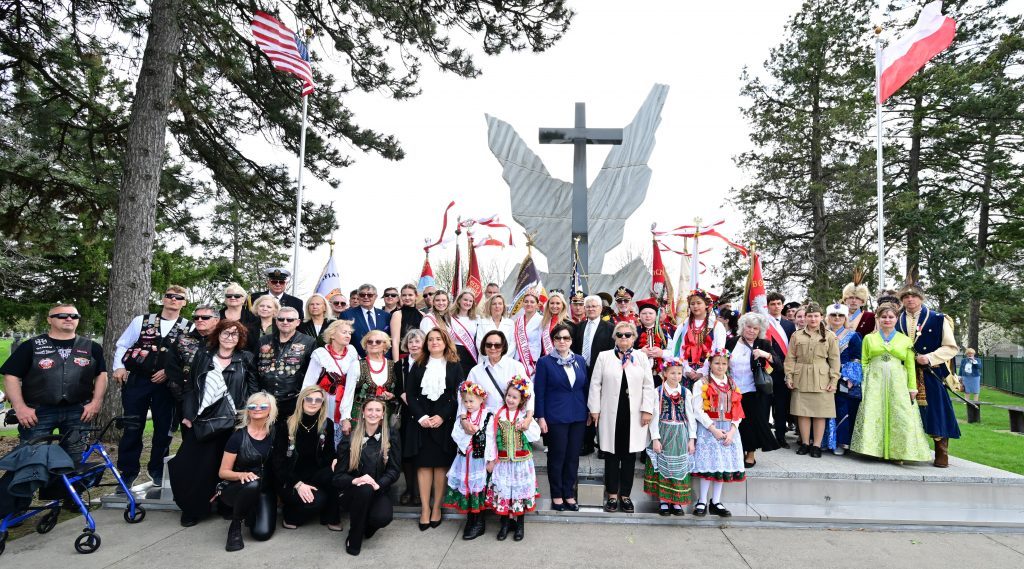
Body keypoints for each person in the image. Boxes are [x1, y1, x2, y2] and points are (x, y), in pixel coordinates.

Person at [170, 320, 256, 527]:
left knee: (227, 466)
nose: (230, 338)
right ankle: (193, 508)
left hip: (233, 422)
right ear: (217, 335)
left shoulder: (245, 358)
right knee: (189, 465)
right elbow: (190, 386)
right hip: (202, 420)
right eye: (226, 333)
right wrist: (188, 414)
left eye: (235, 334)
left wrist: (249, 418)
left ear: (240, 339)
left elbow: (253, 389)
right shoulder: (203, 356)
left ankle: (227, 505)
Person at [1, 304, 106, 457]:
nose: (69, 318)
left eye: (74, 316)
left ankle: (68, 482)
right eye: (62, 315)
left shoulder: (91, 347)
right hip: (37, 412)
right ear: (49, 319)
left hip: (78, 411)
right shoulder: (31, 346)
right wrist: (20, 408)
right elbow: (11, 376)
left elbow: (101, 375)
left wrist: (96, 402)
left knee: (74, 461)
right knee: (33, 460)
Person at [113, 285, 192, 488]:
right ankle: (128, 472)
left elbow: (189, 357)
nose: (173, 300)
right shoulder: (142, 321)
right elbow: (123, 344)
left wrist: (168, 372)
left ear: (184, 302)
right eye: (170, 296)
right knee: (132, 426)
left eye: (178, 297)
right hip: (138, 380)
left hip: (166, 385)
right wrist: (119, 367)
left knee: (163, 429)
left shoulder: (188, 327)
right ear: (163, 299)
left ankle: (157, 469)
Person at [850, 303, 933, 462]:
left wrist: (912, 387)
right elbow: (864, 361)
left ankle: (899, 452)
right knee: (874, 411)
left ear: (896, 319)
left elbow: (909, 365)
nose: (887, 320)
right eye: (884, 317)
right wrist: (866, 380)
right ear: (878, 318)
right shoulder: (869, 338)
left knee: (900, 413)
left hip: (898, 381)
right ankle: (873, 449)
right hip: (875, 381)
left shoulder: (905, 340)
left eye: (891, 317)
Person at [588, 321, 656, 514]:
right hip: (610, 413)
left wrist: (647, 410)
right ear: (615, 338)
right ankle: (611, 495)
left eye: (628, 335)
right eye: (620, 335)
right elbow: (595, 384)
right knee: (611, 455)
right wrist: (594, 409)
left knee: (628, 456)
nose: (624, 338)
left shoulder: (641, 357)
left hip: (634, 414)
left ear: (634, 337)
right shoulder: (604, 357)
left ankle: (625, 495)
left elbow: (648, 386)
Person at [896, 281, 960, 468]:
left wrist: (931, 358)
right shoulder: (895, 319)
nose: (910, 299)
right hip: (902, 372)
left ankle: (941, 451)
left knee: (935, 410)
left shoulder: (938, 319)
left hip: (930, 372)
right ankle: (903, 450)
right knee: (902, 410)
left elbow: (951, 347)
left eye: (914, 296)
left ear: (921, 298)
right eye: (906, 297)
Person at [405, 328, 463, 530]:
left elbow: (458, 395)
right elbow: (410, 394)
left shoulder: (455, 365)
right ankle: (425, 509)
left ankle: (437, 507)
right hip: (421, 421)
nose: (434, 342)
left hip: (443, 421)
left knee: (440, 466)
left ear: (446, 342)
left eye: (438, 339)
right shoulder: (418, 364)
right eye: (431, 339)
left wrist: (442, 416)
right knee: (423, 465)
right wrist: (421, 416)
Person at [332, 398, 401, 556]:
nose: (373, 413)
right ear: (362, 413)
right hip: (353, 493)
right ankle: (354, 537)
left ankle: (365, 527)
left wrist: (379, 484)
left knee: (383, 517)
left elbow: (394, 470)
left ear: (383, 414)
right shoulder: (349, 439)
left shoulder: (391, 436)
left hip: (378, 490)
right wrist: (357, 480)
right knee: (364, 489)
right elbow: (337, 478)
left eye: (378, 410)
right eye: (369, 410)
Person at [272, 385, 341, 531]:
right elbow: (278, 463)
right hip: (290, 478)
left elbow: (329, 453)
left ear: (322, 403)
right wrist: (297, 484)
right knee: (318, 501)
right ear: (302, 401)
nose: (313, 403)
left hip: (314, 474)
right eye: (309, 399)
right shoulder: (287, 425)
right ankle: (290, 514)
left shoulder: (326, 424)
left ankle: (331, 517)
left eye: (318, 400)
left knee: (335, 475)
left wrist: (335, 459)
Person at [533, 323, 587, 512]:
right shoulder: (545, 362)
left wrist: (588, 411)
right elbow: (539, 392)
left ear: (571, 340)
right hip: (555, 417)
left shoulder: (579, 360)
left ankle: (569, 494)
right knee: (557, 457)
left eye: (566, 338)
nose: (562, 341)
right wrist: (540, 417)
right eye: (558, 338)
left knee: (572, 457)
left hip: (578, 416)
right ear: (553, 340)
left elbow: (584, 388)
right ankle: (557, 495)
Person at [218, 391, 278, 552]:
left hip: (265, 490)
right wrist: (241, 474)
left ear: (270, 410)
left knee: (262, 534)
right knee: (252, 483)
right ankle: (235, 525)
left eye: (263, 406)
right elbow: (223, 472)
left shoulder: (276, 433)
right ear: (248, 410)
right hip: (239, 488)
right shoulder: (238, 436)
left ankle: (251, 511)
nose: (257, 408)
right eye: (253, 405)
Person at [485, 377, 541, 541]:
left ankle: (520, 525)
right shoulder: (497, 415)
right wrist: (490, 459)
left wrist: (526, 425)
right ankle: (505, 524)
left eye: (515, 397)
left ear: (522, 400)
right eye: (509, 395)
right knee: (504, 492)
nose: (510, 399)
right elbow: (491, 438)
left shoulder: (524, 416)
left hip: (521, 463)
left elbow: (535, 436)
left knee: (519, 493)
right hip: (502, 463)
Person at [691, 350, 745, 517]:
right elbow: (697, 410)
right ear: (710, 364)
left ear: (727, 365)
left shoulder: (732, 384)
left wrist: (732, 431)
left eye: (723, 363)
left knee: (722, 465)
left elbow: (737, 410)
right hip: (710, 429)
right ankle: (702, 500)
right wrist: (712, 429)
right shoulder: (702, 383)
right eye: (716, 363)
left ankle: (716, 501)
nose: (720, 366)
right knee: (709, 465)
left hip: (728, 429)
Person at [724, 312, 781, 468]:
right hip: (733, 390)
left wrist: (766, 355)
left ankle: (751, 453)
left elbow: (778, 364)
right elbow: (722, 360)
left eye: (755, 328)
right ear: (743, 327)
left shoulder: (764, 344)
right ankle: (739, 451)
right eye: (749, 327)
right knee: (737, 423)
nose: (751, 331)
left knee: (752, 422)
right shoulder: (732, 342)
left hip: (755, 390)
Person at [784, 303, 840, 458]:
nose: (813, 319)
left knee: (819, 413)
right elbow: (790, 358)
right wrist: (789, 375)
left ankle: (816, 445)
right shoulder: (797, 335)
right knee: (802, 413)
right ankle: (805, 443)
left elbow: (835, 360)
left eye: (816, 316)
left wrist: (834, 380)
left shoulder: (829, 336)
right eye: (810, 316)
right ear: (805, 318)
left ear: (821, 317)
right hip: (800, 376)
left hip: (821, 377)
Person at [643, 358, 696, 515]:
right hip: (664, 432)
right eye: (672, 373)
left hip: (680, 434)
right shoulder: (657, 392)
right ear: (664, 373)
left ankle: (677, 502)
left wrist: (691, 439)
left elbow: (690, 417)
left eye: (679, 373)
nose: (676, 376)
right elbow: (654, 416)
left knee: (678, 468)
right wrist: (655, 438)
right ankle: (664, 501)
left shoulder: (686, 393)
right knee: (663, 466)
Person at [443, 381, 493, 539]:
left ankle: (479, 522)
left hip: (479, 460)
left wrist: (491, 459)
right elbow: (455, 434)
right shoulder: (463, 418)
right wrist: (466, 432)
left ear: (481, 400)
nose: (468, 404)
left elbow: (491, 439)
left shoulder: (488, 416)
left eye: (472, 401)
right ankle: (470, 519)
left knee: (478, 489)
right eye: (465, 401)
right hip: (465, 458)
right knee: (468, 488)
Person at [302, 320, 360, 447]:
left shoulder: (352, 351)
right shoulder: (320, 354)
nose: (348, 335)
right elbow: (308, 384)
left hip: (348, 399)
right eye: (344, 332)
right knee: (326, 435)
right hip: (327, 400)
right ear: (332, 335)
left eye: (349, 333)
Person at [572, 295, 614, 456]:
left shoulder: (610, 328)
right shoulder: (580, 327)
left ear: (600, 308)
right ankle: (587, 443)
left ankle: (603, 446)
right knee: (586, 407)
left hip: (602, 372)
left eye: (594, 306)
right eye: (587, 306)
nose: (590, 309)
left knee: (602, 409)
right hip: (582, 372)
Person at [166, 304, 220, 428]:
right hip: (185, 396)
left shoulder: (224, 340)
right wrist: (185, 390)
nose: (199, 320)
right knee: (189, 434)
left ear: (216, 320)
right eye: (196, 317)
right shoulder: (182, 339)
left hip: (215, 396)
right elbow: (171, 366)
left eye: (205, 317)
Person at [255, 306, 315, 418]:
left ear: (297, 322)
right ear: (276, 322)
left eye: (290, 320)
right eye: (281, 319)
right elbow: (254, 369)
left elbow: (311, 373)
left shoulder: (309, 342)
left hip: (292, 400)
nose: (285, 322)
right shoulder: (263, 340)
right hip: (265, 399)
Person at [341, 330, 399, 434]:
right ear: (365, 345)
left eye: (378, 342)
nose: (373, 344)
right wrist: (345, 418)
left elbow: (398, 392)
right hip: (359, 415)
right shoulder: (356, 365)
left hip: (385, 417)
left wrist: (392, 396)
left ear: (385, 346)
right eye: (369, 342)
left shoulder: (394, 365)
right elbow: (348, 394)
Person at [823, 303, 863, 456]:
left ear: (845, 318)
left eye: (840, 316)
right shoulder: (822, 334)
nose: (837, 318)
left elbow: (856, 358)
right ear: (828, 317)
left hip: (844, 378)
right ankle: (825, 440)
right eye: (834, 315)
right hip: (823, 375)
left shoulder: (853, 336)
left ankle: (841, 442)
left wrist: (850, 377)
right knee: (824, 408)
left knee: (842, 408)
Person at [668, 289, 728, 389]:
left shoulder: (717, 326)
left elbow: (718, 351)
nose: (695, 306)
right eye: (692, 303)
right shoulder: (683, 326)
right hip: (685, 372)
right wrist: (685, 369)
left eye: (699, 303)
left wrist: (702, 372)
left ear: (706, 305)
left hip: (708, 372)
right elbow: (678, 349)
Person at [466, 330, 530, 415]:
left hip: (511, 418)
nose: (493, 348)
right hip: (484, 419)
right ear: (484, 347)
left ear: (503, 347)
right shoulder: (475, 371)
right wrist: (463, 418)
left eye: (497, 345)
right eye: (489, 345)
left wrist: (529, 416)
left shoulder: (516, 366)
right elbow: (465, 396)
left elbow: (529, 392)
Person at [395, 329, 425, 507]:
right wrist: (403, 396)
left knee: (421, 453)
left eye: (418, 341)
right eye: (411, 342)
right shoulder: (400, 364)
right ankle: (409, 488)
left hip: (424, 413)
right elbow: (397, 387)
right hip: (406, 413)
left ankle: (420, 491)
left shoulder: (430, 363)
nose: (414, 345)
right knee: (407, 454)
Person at [765, 292, 794, 447]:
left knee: (781, 405)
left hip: (783, 369)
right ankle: (765, 435)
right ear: (767, 306)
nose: (775, 307)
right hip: (767, 369)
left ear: (782, 305)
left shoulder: (789, 325)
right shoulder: (763, 322)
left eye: (778, 304)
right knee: (765, 404)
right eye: (772, 304)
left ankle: (781, 435)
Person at [341, 284, 391, 358]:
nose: (366, 297)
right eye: (362, 295)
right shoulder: (347, 315)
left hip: (383, 360)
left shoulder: (386, 316)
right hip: (358, 360)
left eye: (370, 295)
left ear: (375, 296)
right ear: (358, 296)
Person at [634, 298, 675, 385]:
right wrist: (640, 352)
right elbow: (625, 352)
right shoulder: (633, 332)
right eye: (644, 313)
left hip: (659, 377)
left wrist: (662, 353)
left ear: (656, 315)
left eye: (651, 313)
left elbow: (673, 353)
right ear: (639, 315)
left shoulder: (664, 333)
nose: (647, 316)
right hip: (638, 375)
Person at [510, 290, 543, 378]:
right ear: (523, 304)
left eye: (532, 302)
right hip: (518, 359)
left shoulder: (542, 320)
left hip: (533, 361)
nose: (529, 304)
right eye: (526, 301)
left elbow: (543, 343)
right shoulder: (517, 321)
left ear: (537, 304)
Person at [220, 283, 260, 352]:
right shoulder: (216, 316)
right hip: (220, 354)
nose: (232, 298)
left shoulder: (253, 317)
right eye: (229, 296)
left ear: (243, 299)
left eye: (237, 296)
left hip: (246, 355)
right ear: (225, 299)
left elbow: (255, 340)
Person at [449, 290, 481, 377]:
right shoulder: (450, 317)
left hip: (471, 353)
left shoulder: (477, 318)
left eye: (470, 301)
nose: (468, 303)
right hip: (454, 352)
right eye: (465, 300)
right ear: (459, 300)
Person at [389, 283, 423, 360]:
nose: (407, 298)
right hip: (403, 357)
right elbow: (395, 342)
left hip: (420, 356)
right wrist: (396, 362)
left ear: (416, 296)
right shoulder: (397, 314)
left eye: (410, 295)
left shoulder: (422, 315)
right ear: (401, 297)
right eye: (404, 295)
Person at [843, 272, 875, 337]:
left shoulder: (870, 317)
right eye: (851, 297)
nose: (854, 301)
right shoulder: (838, 316)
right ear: (845, 300)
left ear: (863, 301)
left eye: (857, 298)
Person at [540, 291, 570, 356]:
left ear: (563, 305)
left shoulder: (568, 324)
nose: (554, 306)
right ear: (548, 305)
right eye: (552, 303)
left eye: (558, 303)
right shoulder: (544, 322)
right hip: (545, 359)